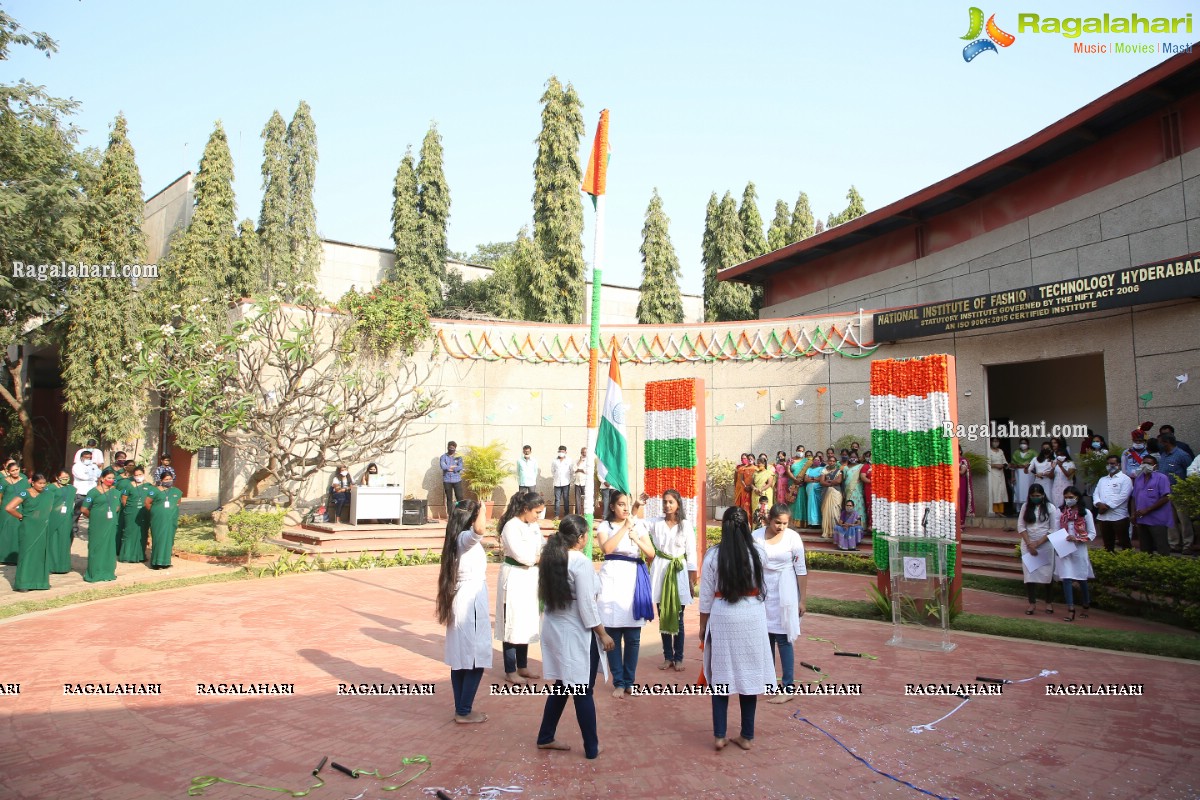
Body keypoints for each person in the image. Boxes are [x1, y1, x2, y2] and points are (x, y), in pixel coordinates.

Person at [536, 514, 615, 759]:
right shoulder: (579, 561)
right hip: (573, 628)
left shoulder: (551, 557)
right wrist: (602, 633)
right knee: (582, 689)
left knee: (562, 684)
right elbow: (587, 605)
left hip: (555, 625)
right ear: (581, 538)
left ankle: (545, 736)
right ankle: (592, 747)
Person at [699, 507, 774, 751]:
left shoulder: (712, 555)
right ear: (747, 526)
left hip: (722, 616)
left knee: (721, 675)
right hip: (751, 615)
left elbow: (706, 596)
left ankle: (720, 735)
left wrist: (702, 627)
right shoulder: (758, 553)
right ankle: (747, 736)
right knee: (748, 677)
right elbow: (765, 589)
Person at [436, 499, 491, 724]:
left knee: (460, 658)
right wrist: (484, 510)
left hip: (462, 599)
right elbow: (479, 530)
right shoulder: (464, 539)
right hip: (470, 603)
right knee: (475, 658)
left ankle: (461, 708)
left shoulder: (456, 539)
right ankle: (464, 710)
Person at [597, 491, 653, 697]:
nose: (625, 508)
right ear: (612, 506)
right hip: (612, 579)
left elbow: (650, 553)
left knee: (633, 637)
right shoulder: (605, 526)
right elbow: (607, 548)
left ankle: (630, 681)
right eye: (620, 504)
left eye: (627, 504)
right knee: (613, 634)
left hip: (633, 579)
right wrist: (625, 529)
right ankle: (618, 681)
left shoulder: (638, 525)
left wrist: (636, 539)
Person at [752, 504, 806, 704]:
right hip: (762, 590)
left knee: (783, 639)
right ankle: (768, 682)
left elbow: (801, 569)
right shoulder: (756, 536)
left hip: (786, 590)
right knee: (765, 638)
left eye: (785, 523)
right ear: (768, 520)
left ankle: (788, 686)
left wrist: (802, 599)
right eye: (777, 523)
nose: (781, 527)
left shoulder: (793, 538)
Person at [645, 489, 697, 672]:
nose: (667, 505)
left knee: (679, 617)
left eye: (671, 502)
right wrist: (638, 505)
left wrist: (691, 579)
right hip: (660, 570)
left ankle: (679, 657)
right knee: (664, 615)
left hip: (678, 571)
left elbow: (691, 553)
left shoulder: (685, 525)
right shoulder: (656, 523)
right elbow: (635, 525)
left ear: (678, 504)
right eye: (665, 502)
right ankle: (668, 656)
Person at [496, 491, 545, 685]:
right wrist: (541, 559)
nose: (538, 516)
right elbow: (522, 555)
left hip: (531, 577)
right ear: (526, 509)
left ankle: (522, 665)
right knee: (512, 623)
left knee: (526, 621)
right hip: (515, 577)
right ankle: (510, 669)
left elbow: (542, 545)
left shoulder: (533, 526)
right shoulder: (511, 526)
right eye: (536, 512)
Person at [1055, 486, 1096, 622]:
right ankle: (1070, 609)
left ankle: (1085, 604)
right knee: (1066, 577)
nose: (1068, 500)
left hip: (1079, 549)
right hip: (1064, 548)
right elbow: (1055, 530)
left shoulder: (1086, 513)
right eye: (1066, 497)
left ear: (1077, 497)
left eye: (1071, 497)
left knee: (1081, 577)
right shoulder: (1060, 512)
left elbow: (1092, 534)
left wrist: (1077, 538)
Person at [6, 473, 52, 591]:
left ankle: (39, 582)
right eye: (39, 483)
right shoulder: (25, 493)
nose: (42, 486)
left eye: (44, 483)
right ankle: (23, 583)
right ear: (33, 483)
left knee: (40, 554)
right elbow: (9, 508)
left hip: (42, 528)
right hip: (28, 528)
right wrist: (21, 516)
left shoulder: (47, 494)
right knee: (27, 553)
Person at [1017, 483, 1058, 615]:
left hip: (1045, 544)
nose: (1036, 498)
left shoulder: (1050, 507)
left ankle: (1049, 603)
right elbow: (1021, 526)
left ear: (1043, 495)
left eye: (1038, 496)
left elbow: (1053, 529)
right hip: (1028, 545)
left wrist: (1038, 543)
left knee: (1047, 575)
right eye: (1033, 496)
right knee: (1030, 574)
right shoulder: (1025, 506)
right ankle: (1032, 603)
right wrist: (1030, 544)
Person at [81, 468, 121, 582]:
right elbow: (84, 509)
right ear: (102, 479)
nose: (111, 480)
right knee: (96, 547)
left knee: (109, 547)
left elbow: (117, 507)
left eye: (113, 478)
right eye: (109, 478)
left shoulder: (115, 492)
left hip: (110, 524)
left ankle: (108, 572)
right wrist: (94, 517)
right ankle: (94, 573)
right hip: (97, 524)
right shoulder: (94, 492)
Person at [1157, 433, 1194, 553]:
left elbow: (1189, 473)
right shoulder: (1163, 455)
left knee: (1184, 520)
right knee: (1170, 519)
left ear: (1167, 442)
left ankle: (1187, 545)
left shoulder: (1182, 455)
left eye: (1160, 442)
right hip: (1165, 493)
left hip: (1179, 492)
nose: (1159, 445)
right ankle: (1174, 544)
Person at [1131, 454, 1173, 556]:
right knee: (1145, 550)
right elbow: (1134, 497)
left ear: (1155, 466)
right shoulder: (1138, 478)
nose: (1146, 465)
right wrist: (1133, 514)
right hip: (1142, 519)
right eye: (1144, 463)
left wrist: (1148, 510)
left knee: (1162, 548)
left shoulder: (1161, 478)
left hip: (1157, 519)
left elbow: (1166, 497)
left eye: (1149, 463)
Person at [1093, 454, 1133, 552]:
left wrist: (1106, 506)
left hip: (1119, 516)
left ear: (1118, 465)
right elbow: (1096, 494)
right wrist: (1099, 504)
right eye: (1108, 464)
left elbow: (1123, 496)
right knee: (1108, 544)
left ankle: (1129, 563)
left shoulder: (1125, 479)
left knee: (1124, 542)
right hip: (1103, 516)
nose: (1110, 466)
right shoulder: (1102, 479)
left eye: (1112, 464)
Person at [118, 465, 153, 563]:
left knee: (142, 533)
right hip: (131, 513)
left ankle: (140, 555)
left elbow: (151, 499)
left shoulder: (149, 486)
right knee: (129, 533)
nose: (138, 476)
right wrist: (130, 508)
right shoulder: (129, 485)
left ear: (143, 474)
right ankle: (126, 556)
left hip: (144, 513)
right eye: (136, 475)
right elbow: (124, 499)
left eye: (140, 474)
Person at [147, 471, 183, 569]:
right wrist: (157, 511)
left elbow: (178, 503)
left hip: (171, 520)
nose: (168, 481)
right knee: (158, 538)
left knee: (168, 539)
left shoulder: (177, 491)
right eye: (166, 479)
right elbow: (147, 503)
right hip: (158, 519)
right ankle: (156, 562)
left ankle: (166, 562)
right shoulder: (154, 491)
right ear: (161, 480)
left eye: (170, 479)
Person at [0, 460, 29, 564]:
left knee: (18, 531)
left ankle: (16, 556)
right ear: (8, 472)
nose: (15, 472)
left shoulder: (24, 481)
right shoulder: (3, 481)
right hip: (6, 510)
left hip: (20, 509)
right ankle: (3, 556)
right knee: (5, 532)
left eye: (17, 469)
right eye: (12, 471)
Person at [47, 471, 75, 574]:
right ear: (57, 477)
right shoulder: (50, 488)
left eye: (67, 477)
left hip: (66, 519)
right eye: (63, 477)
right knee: (53, 540)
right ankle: (51, 565)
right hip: (53, 517)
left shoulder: (71, 488)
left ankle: (63, 566)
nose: (65, 478)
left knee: (64, 540)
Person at [71, 449, 101, 536]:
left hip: (92, 493)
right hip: (81, 492)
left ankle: (92, 529)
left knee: (92, 512)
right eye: (86, 457)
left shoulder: (93, 466)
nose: (88, 459)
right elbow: (82, 476)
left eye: (90, 457)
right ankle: (73, 530)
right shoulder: (77, 466)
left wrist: (94, 476)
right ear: (81, 458)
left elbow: (99, 474)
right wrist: (93, 477)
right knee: (77, 513)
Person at [819, 458, 845, 540]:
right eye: (830, 461)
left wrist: (828, 481)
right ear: (827, 462)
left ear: (835, 462)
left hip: (836, 493)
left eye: (833, 461)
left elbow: (839, 481)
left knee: (835, 511)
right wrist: (831, 482)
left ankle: (835, 532)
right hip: (826, 492)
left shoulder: (838, 471)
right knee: (826, 511)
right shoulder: (824, 470)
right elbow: (821, 482)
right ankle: (826, 531)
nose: (832, 462)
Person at [440, 441, 464, 517]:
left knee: (459, 497)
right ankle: (450, 515)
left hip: (457, 480)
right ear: (447, 447)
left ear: (455, 448)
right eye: (450, 448)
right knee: (449, 498)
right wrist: (454, 467)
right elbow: (443, 467)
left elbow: (460, 467)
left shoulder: (458, 457)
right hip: (447, 480)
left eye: (453, 448)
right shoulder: (443, 457)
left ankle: (459, 513)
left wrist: (450, 468)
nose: (451, 450)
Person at [1010, 438, 1035, 507]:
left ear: (1028, 444)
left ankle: (1029, 506)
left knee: (1028, 488)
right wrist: (1012, 477)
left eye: (1024, 443)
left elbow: (1036, 463)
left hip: (1029, 473)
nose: (1023, 445)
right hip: (1018, 473)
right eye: (1021, 443)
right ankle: (1019, 509)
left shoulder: (1033, 452)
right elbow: (1012, 465)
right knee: (1018, 490)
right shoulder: (1016, 453)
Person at [787, 450, 810, 525]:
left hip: (802, 484)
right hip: (792, 483)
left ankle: (802, 522)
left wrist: (801, 480)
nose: (800, 452)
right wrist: (794, 479)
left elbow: (809, 471)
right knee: (793, 501)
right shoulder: (790, 460)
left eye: (802, 451)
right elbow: (788, 471)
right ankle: (791, 522)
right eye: (799, 450)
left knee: (801, 501)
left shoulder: (807, 461)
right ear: (796, 450)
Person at [987, 439, 1008, 516]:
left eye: (997, 441)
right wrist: (995, 465)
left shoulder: (1001, 451)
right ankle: (995, 511)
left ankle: (1001, 511)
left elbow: (1004, 461)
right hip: (993, 473)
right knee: (994, 491)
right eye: (994, 441)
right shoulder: (988, 451)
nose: (996, 443)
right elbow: (987, 463)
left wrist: (1004, 465)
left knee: (1001, 491)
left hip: (1001, 473)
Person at [804, 455, 825, 528]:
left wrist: (812, 479)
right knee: (811, 504)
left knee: (818, 504)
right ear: (813, 461)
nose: (817, 461)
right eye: (815, 460)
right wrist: (815, 479)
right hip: (810, 489)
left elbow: (821, 478)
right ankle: (812, 522)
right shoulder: (809, 469)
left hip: (819, 488)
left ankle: (819, 521)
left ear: (821, 461)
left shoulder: (822, 468)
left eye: (818, 460)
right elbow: (806, 479)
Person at [842, 451, 865, 520]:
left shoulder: (861, 466)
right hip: (848, 490)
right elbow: (844, 479)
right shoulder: (845, 468)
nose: (853, 458)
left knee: (858, 505)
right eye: (851, 457)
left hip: (857, 489)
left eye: (854, 457)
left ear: (857, 458)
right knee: (849, 505)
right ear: (848, 458)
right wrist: (843, 491)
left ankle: (859, 524)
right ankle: (849, 523)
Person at [552, 446, 572, 520]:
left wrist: (570, 481)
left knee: (566, 499)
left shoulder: (569, 460)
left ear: (566, 452)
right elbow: (553, 471)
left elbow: (571, 471)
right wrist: (556, 478)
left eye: (563, 451)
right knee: (557, 499)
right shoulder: (554, 461)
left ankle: (566, 514)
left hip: (566, 483)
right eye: (560, 451)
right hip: (557, 483)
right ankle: (556, 515)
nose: (561, 453)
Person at [957, 454, 975, 526]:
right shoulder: (950, 459)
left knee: (961, 502)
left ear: (960, 451)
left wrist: (951, 469)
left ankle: (961, 523)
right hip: (952, 483)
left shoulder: (963, 460)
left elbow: (962, 472)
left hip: (961, 483)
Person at [573, 447, 588, 515]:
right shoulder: (577, 460)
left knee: (586, 499)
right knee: (577, 499)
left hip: (585, 483)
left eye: (585, 452)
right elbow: (574, 469)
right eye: (582, 452)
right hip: (577, 483)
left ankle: (586, 513)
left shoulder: (589, 461)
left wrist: (579, 470)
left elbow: (587, 471)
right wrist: (580, 461)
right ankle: (578, 514)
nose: (583, 454)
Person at [861, 451, 874, 530]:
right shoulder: (866, 466)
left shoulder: (881, 465)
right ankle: (871, 525)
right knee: (870, 506)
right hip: (869, 489)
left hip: (881, 490)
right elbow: (863, 477)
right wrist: (873, 482)